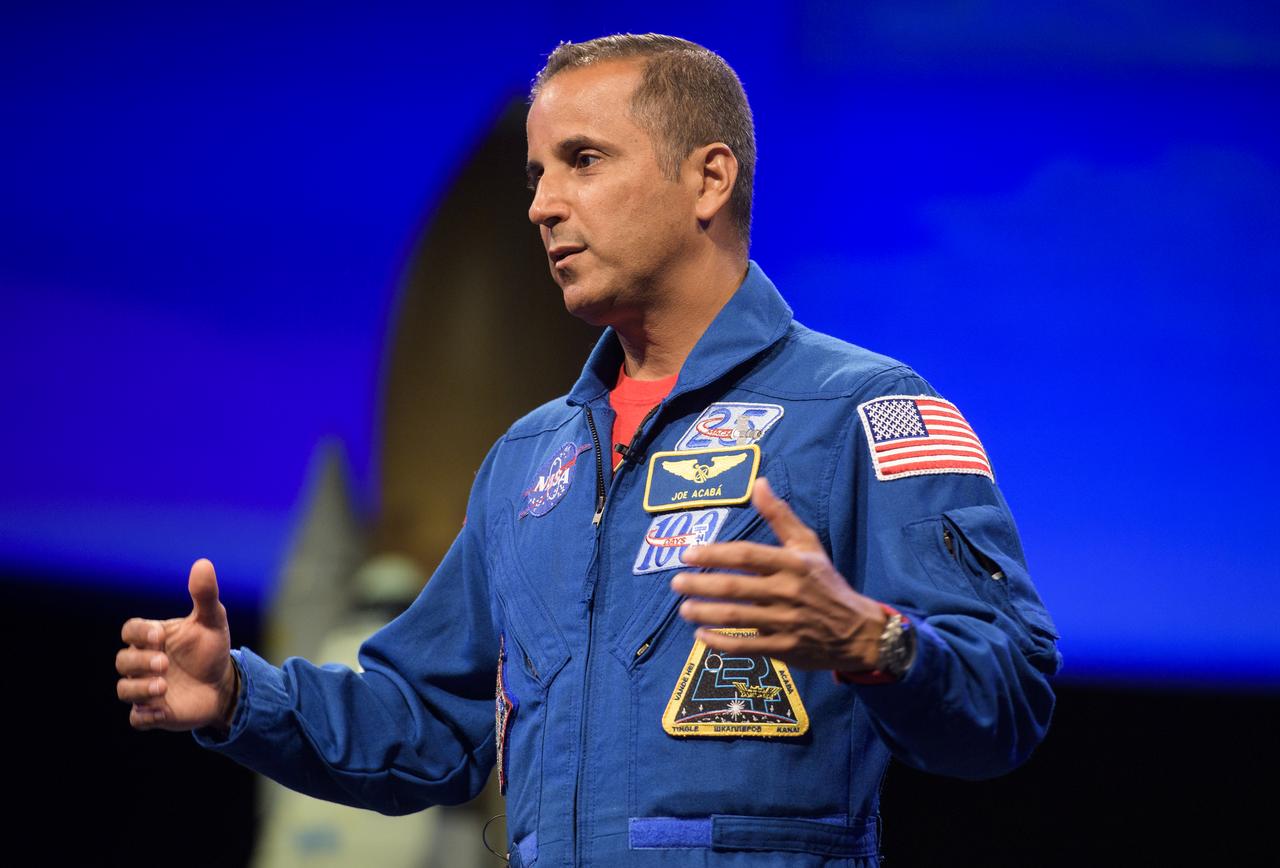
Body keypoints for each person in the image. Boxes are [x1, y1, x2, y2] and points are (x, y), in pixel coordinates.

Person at [116, 33, 1061, 867]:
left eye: (583, 161)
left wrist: (872, 641)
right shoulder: (529, 461)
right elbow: (428, 723)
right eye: (536, 176)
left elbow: (1010, 697)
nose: (542, 206)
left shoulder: (866, 412)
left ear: (709, 179)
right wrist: (240, 695)